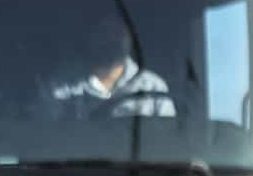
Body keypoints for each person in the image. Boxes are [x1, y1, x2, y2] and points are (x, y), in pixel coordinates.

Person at [48, 14, 176, 119]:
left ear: (130, 38)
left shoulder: (153, 86)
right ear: (90, 37)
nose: (112, 39)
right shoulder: (60, 86)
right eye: (104, 33)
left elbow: (168, 141)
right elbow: (42, 138)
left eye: (118, 33)